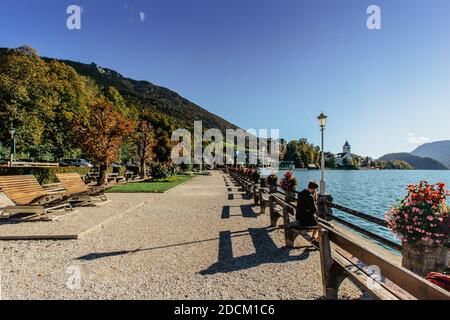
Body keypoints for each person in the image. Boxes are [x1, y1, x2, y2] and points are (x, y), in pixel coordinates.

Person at [296, 180, 320, 245]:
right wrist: (314, 202)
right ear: (314, 189)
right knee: (320, 224)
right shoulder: (310, 196)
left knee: (316, 219)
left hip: (298, 217)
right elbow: (314, 210)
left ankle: (313, 237)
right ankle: (315, 240)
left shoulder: (300, 193)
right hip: (305, 220)